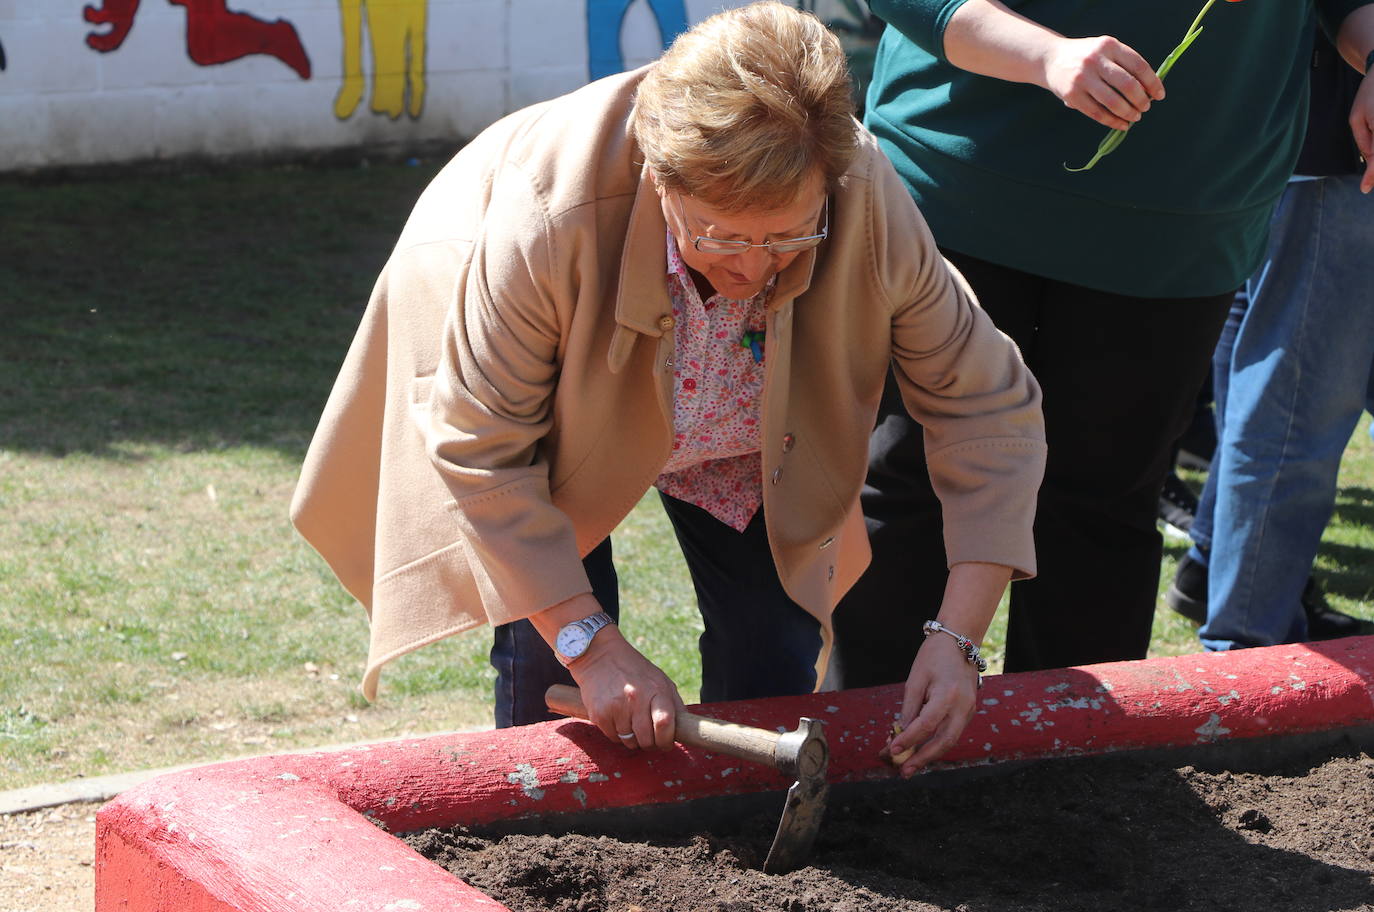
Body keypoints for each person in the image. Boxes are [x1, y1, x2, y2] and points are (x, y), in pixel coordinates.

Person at [291, 2, 1046, 776]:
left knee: (773, 646)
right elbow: (484, 452)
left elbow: (988, 404)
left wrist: (957, 639)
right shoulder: (549, 212)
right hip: (551, 404)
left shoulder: (861, 189)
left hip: (740, 419)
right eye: (718, 235)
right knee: (549, 644)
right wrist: (592, 644)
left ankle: (747, 812)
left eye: (788, 236)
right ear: (662, 179)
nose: (753, 269)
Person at [828, 0, 1374, 687]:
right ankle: (861, 764)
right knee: (907, 484)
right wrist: (1043, 54)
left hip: (1182, 219)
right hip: (957, 194)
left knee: (1102, 512)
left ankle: (1069, 776)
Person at [1166, 32, 1374, 650]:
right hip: (1329, 135)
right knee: (1293, 416)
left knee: (1262, 383)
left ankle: (1215, 572)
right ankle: (1247, 643)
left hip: (1291, 127)